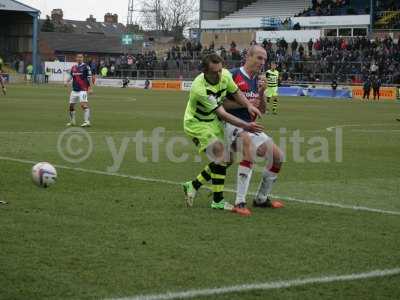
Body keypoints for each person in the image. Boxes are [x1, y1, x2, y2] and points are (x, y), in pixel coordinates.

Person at [182, 53, 263, 216]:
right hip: (196, 123)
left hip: (212, 121)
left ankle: (193, 185)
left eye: (220, 70)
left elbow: (236, 92)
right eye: (214, 72)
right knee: (221, 154)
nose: (219, 74)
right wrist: (247, 125)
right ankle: (217, 201)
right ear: (205, 71)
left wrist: (248, 105)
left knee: (228, 159)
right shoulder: (200, 89)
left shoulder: (225, 74)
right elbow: (223, 114)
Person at [224, 45, 285, 212]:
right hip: (231, 123)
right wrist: (243, 103)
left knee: (278, 157)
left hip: (251, 126)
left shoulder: (258, 79)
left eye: (264, 59)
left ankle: (261, 199)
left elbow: (262, 110)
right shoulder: (232, 75)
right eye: (259, 58)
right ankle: (239, 202)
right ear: (248, 56)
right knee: (249, 150)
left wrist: (261, 92)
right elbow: (219, 104)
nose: (262, 62)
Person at [65, 53, 93, 127]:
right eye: (78, 57)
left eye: (81, 57)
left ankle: (87, 121)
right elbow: (71, 76)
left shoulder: (86, 67)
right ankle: (72, 121)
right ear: (76, 58)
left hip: (83, 90)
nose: (79, 58)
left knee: (83, 105)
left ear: (83, 58)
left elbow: (89, 78)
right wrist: (66, 82)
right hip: (74, 90)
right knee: (71, 106)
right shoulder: (74, 67)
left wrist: (90, 88)